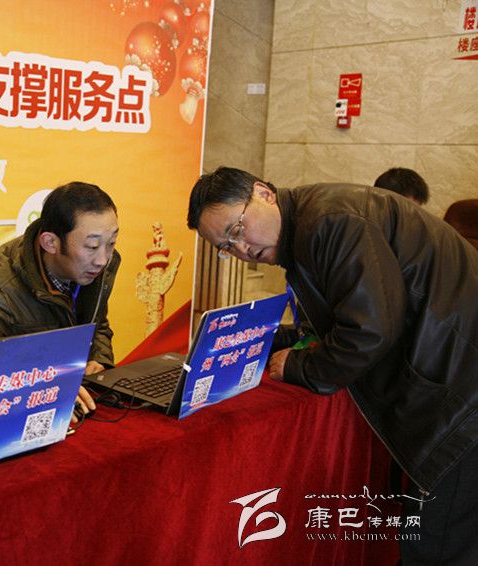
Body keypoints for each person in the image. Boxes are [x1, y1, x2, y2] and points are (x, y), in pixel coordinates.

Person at [187, 166, 478, 564]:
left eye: (237, 229)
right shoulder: (310, 226)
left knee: (437, 546)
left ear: (264, 193)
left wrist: (299, 367)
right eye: (226, 246)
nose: (241, 248)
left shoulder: (330, 220)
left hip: (462, 399)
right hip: (456, 386)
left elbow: (369, 331)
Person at [0, 181, 120, 421]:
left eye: (111, 243)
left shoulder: (92, 269)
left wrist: (99, 360)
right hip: (17, 414)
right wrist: (46, 388)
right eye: (92, 246)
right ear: (51, 243)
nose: (103, 259)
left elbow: (98, 324)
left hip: (75, 406)